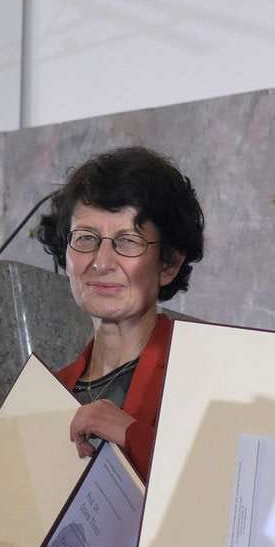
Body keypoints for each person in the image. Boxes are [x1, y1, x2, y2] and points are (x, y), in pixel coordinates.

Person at [36, 146, 204, 482]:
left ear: (169, 265)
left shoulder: (202, 375)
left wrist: (131, 435)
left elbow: (227, 499)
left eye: (128, 241)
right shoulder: (47, 391)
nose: (101, 262)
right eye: (86, 238)